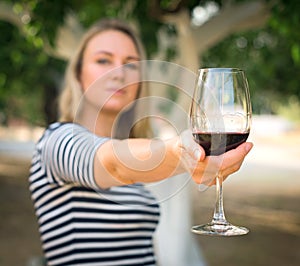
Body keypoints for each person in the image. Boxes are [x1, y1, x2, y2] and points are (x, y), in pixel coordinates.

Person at [29, 18, 253, 266]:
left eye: (131, 64)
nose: (119, 73)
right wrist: (182, 154)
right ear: (78, 73)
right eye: (103, 60)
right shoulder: (56, 141)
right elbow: (113, 163)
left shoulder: (136, 145)